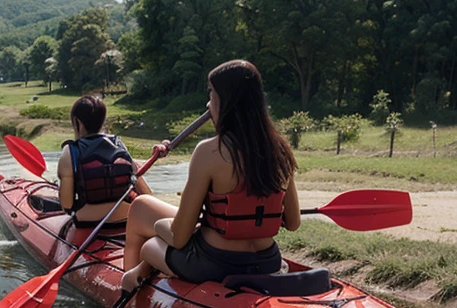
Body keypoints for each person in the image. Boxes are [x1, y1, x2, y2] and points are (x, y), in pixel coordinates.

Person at [120, 60, 300, 290]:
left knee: (151, 246)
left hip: (215, 266)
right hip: (267, 262)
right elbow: (293, 223)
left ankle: (131, 285)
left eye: (211, 93)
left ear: (226, 100)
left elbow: (179, 237)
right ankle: (142, 273)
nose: (208, 103)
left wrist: (159, 226)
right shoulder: (282, 150)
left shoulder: (209, 152)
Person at [57, 95, 152, 231]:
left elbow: (67, 205)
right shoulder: (119, 145)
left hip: (88, 221)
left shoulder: (70, 151)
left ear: (77, 122)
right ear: (102, 120)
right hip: (125, 218)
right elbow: (146, 194)